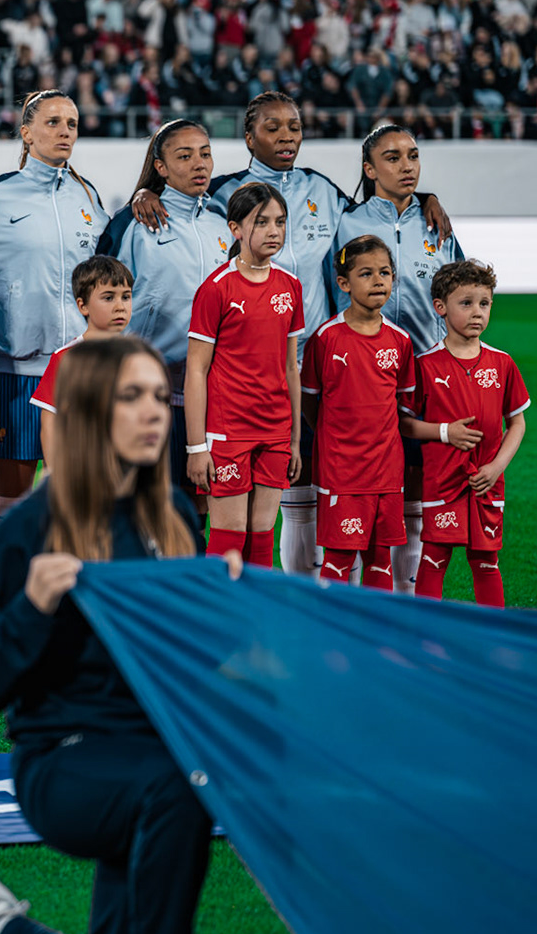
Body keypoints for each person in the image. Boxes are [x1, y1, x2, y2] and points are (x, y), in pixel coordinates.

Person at [0, 336, 226, 934]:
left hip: (152, 763)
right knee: (180, 789)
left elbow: (188, 656)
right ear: (89, 410)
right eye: (133, 397)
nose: (156, 411)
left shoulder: (176, 515)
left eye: (160, 395)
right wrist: (30, 606)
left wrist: (226, 609)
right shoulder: (25, 533)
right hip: (62, 764)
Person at [184, 92, 449, 577]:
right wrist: (145, 194)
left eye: (295, 126)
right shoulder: (222, 194)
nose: (287, 136)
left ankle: (312, 603)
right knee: (275, 506)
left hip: (324, 365)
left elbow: (380, 210)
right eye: (273, 128)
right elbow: (180, 201)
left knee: (327, 490)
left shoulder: (324, 192)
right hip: (243, 379)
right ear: (248, 137)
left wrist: (426, 199)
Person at [0, 91, 105, 535]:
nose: (64, 132)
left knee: (72, 505)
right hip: (12, 375)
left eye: (72, 124)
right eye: (53, 122)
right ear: (26, 133)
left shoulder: (87, 196)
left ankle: (55, 603)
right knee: (7, 510)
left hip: (78, 372)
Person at [331, 124, 465, 592]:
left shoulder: (436, 224)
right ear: (369, 169)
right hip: (365, 376)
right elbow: (334, 294)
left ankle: (407, 599)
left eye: (412, 156)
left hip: (427, 375)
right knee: (362, 489)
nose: (406, 165)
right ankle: (344, 599)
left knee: (418, 485)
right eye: (392, 158)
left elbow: (459, 290)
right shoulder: (344, 222)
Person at [99, 119, 232, 507]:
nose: (199, 164)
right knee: (144, 509)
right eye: (184, 156)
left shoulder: (224, 223)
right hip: (149, 394)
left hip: (212, 395)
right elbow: (100, 303)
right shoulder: (134, 224)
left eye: (205, 154)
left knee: (201, 510)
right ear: (160, 166)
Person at [184, 185, 306, 568]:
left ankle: (256, 622)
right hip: (228, 430)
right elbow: (196, 369)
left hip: (275, 432)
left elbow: (290, 368)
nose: (274, 231)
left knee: (261, 535)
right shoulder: (216, 289)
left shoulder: (290, 287)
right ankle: (216, 623)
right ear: (235, 228)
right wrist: (196, 447)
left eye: (280, 222)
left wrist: (294, 440)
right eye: (262, 222)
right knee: (229, 536)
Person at [406, 260, 527, 607]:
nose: (477, 312)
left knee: (486, 561)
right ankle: (424, 633)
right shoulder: (426, 365)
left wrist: (496, 468)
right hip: (443, 480)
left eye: (484, 303)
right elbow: (405, 422)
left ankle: (495, 638)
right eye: (466, 303)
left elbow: (517, 423)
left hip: (487, 482)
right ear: (440, 308)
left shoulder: (502, 363)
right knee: (434, 556)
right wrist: (445, 433)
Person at [302, 236, 415, 591]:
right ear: (344, 284)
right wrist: (335, 438)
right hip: (343, 472)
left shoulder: (400, 341)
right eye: (366, 273)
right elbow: (310, 402)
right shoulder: (325, 338)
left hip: (386, 470)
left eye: (385, 272)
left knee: (380, 558)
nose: (378, 280)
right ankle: (331, 634)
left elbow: (402, 406)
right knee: (339, 558)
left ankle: (374, 635)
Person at [32, 257, 134, 464]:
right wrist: (54, 474)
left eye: (126, 297)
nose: (120, 306)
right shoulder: (67, 357)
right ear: (83, 306)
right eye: (108, 298)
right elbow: (50, 420)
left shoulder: (138, 358)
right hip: (80, 470)